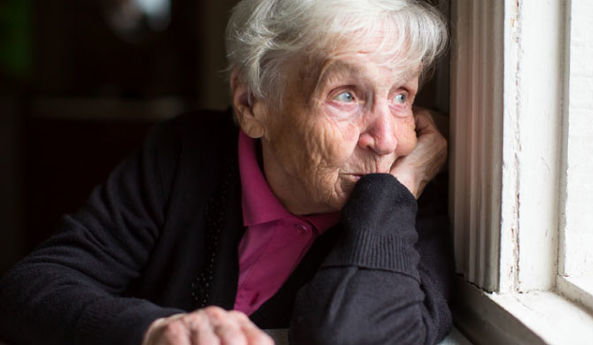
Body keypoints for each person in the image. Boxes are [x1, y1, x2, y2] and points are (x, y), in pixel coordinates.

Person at [0, 0, 453, 344]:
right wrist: (157, 330)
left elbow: (352, 336)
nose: (387, 139)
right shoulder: (187, 154)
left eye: (400, 96)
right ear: (251, 103)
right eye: (346, 95)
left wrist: (394, 193)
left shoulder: (405, 200)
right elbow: (31, 290)